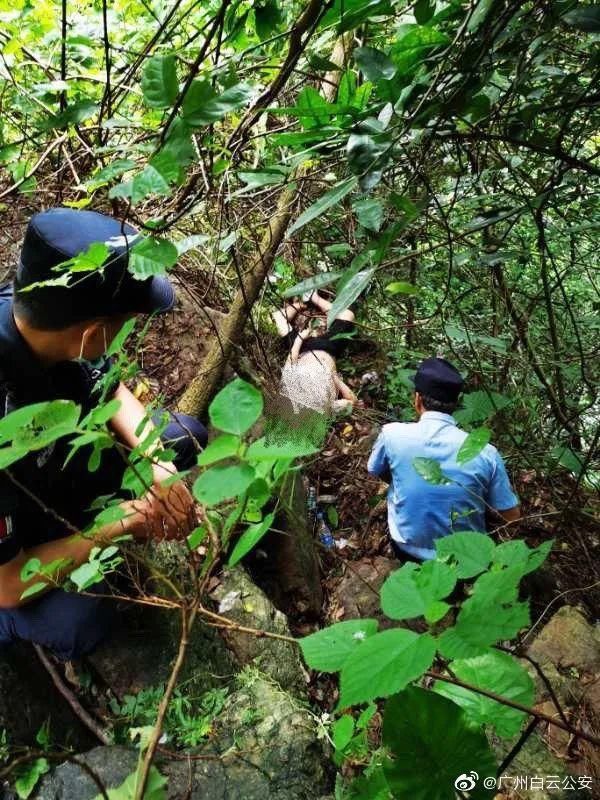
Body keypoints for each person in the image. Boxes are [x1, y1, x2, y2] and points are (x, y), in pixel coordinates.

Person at [0, 208, 208, 662]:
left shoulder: (41, 314)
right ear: (93, 333)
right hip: (9, 550)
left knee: (183, 437)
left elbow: (109, 385)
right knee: (85, 621)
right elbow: (9, 584)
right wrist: (121, 525)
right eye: (127, 321)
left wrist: (161, 467)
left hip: (56, 470)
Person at [367, 357, 520, 560]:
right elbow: (511, 517)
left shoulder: (391, 435)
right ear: (456, 404)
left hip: (407, 548)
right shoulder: (485, 452)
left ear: (417, 399)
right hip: (464, 560)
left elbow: (375, 470)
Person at [272, 290, 358, 418]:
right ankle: (314, 298)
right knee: (348, 315)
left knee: (278, 317)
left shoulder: (291, 393)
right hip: (329, 348)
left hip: (303, 349)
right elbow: (352, 400)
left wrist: (299, 340)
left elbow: (291, 362)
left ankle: (302, 303)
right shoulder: (327, 410)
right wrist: (334, 378)